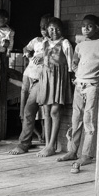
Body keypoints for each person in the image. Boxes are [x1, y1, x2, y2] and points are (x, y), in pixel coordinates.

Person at [56, 15, 99, 174]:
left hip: (92, 86)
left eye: (90, 26)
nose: (86, 29)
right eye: (83, 26)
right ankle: (72, 151)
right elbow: (74, 61)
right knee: (76, 119)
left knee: (88, 120)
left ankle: (86, 154)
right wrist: (76, 69)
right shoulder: (80, 45)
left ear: (97, 28)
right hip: (79, 85)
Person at [8, 14, 51, 155]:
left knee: (30, 109)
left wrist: (44, 57)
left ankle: (25, 144)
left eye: (46, 27)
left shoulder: (54, 44)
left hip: (40, 79)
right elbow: (26, 48)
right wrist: (28, 55)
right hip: (28, 75)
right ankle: (25, 143)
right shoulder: (36, 41)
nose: (43, 30)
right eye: (41, 27)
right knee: (24, 112)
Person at [36, 17, 74, 157]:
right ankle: (47, 145)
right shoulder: (45, 43)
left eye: (58, 29)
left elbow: (70, 63)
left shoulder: (65, 43)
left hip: (59, 78)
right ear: (47, 30)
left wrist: (71, 78)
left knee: (55, 111)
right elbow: (41, 58)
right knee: (46, 111)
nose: (54, 32)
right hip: (46, 78)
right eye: (51, 29)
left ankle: (52, 145)